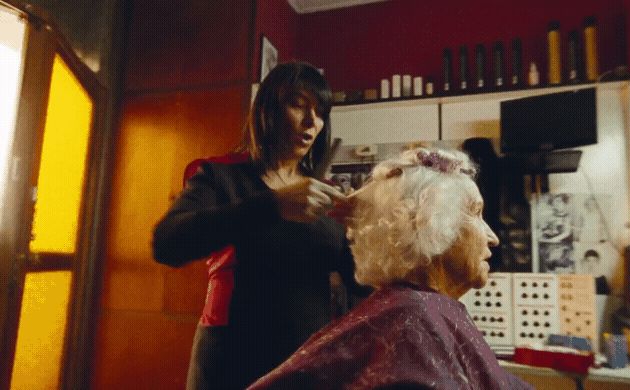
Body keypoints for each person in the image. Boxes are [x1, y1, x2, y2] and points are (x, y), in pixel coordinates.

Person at [152, 62, 367, 389]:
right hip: (232, 358)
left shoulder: (322, 194)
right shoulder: (220, 175)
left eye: (320, 112)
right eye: (298, 105)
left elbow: (361, 282)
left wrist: (369, 232)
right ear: (267, 109)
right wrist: (274, 204)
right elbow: (167, 243)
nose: (312, 122)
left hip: (308, 362)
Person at [248, 148, 533, 389]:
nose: (492, 237)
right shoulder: (413, 320)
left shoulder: (417, 312)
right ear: (430, 222)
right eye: (475, 213)